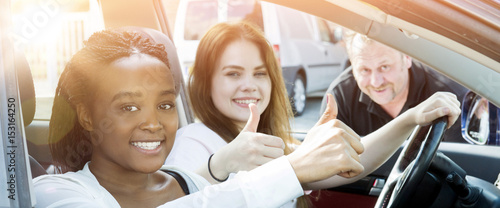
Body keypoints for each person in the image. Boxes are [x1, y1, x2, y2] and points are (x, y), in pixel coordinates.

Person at [33, 28, 367, 208]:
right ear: (88, 117)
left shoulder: (189, 183)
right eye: (129, 107)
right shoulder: (51, 192)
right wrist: (292, 169)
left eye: (164, 105)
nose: (153, 124)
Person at [165, 21, 462, 204]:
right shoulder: (194, 142)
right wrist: (222, 163)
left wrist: (411, 118)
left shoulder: (269, 142)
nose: (249, 86)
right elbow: (171, 201)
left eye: (259, 73)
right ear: (205, 82)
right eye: (232, 74)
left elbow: (355, 160)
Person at [320, 31, 468, 143]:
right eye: (364, 70)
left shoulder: (450, 94)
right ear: (352, 66)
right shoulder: (339, 98)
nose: (376, 82)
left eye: (385, 67)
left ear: (407, 58)